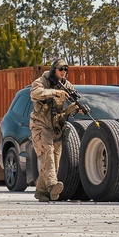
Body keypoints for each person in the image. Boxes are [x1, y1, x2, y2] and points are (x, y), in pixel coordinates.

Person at [29, 58, 86, 202]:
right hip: (40, 125)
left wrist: (76, 108)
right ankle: (52, 185)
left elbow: (66, 109)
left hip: (57, 127)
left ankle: (40, 192)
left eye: (66, 69)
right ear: (54, 69)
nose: (64, 72)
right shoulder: (42, 81)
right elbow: (35, 93)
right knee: (47, 154)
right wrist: (54, 92)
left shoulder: (67, 86)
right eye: (61, 69)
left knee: (53, 160)